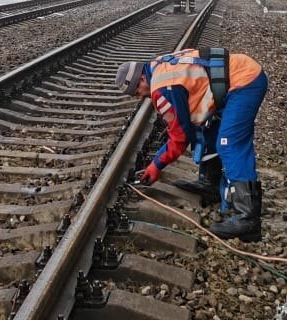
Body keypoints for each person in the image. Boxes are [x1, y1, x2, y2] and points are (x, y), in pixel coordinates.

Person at [113, 48, 268, 242]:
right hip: (237, 76)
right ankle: (210, 183)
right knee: (206, 127)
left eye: (137, 92)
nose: (140, 97)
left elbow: (179, 137)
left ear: (142, 79)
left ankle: (248, 219)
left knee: (229, 143)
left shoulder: (161, 88)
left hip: (245, 83)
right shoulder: (158, 66)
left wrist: (156, 164)